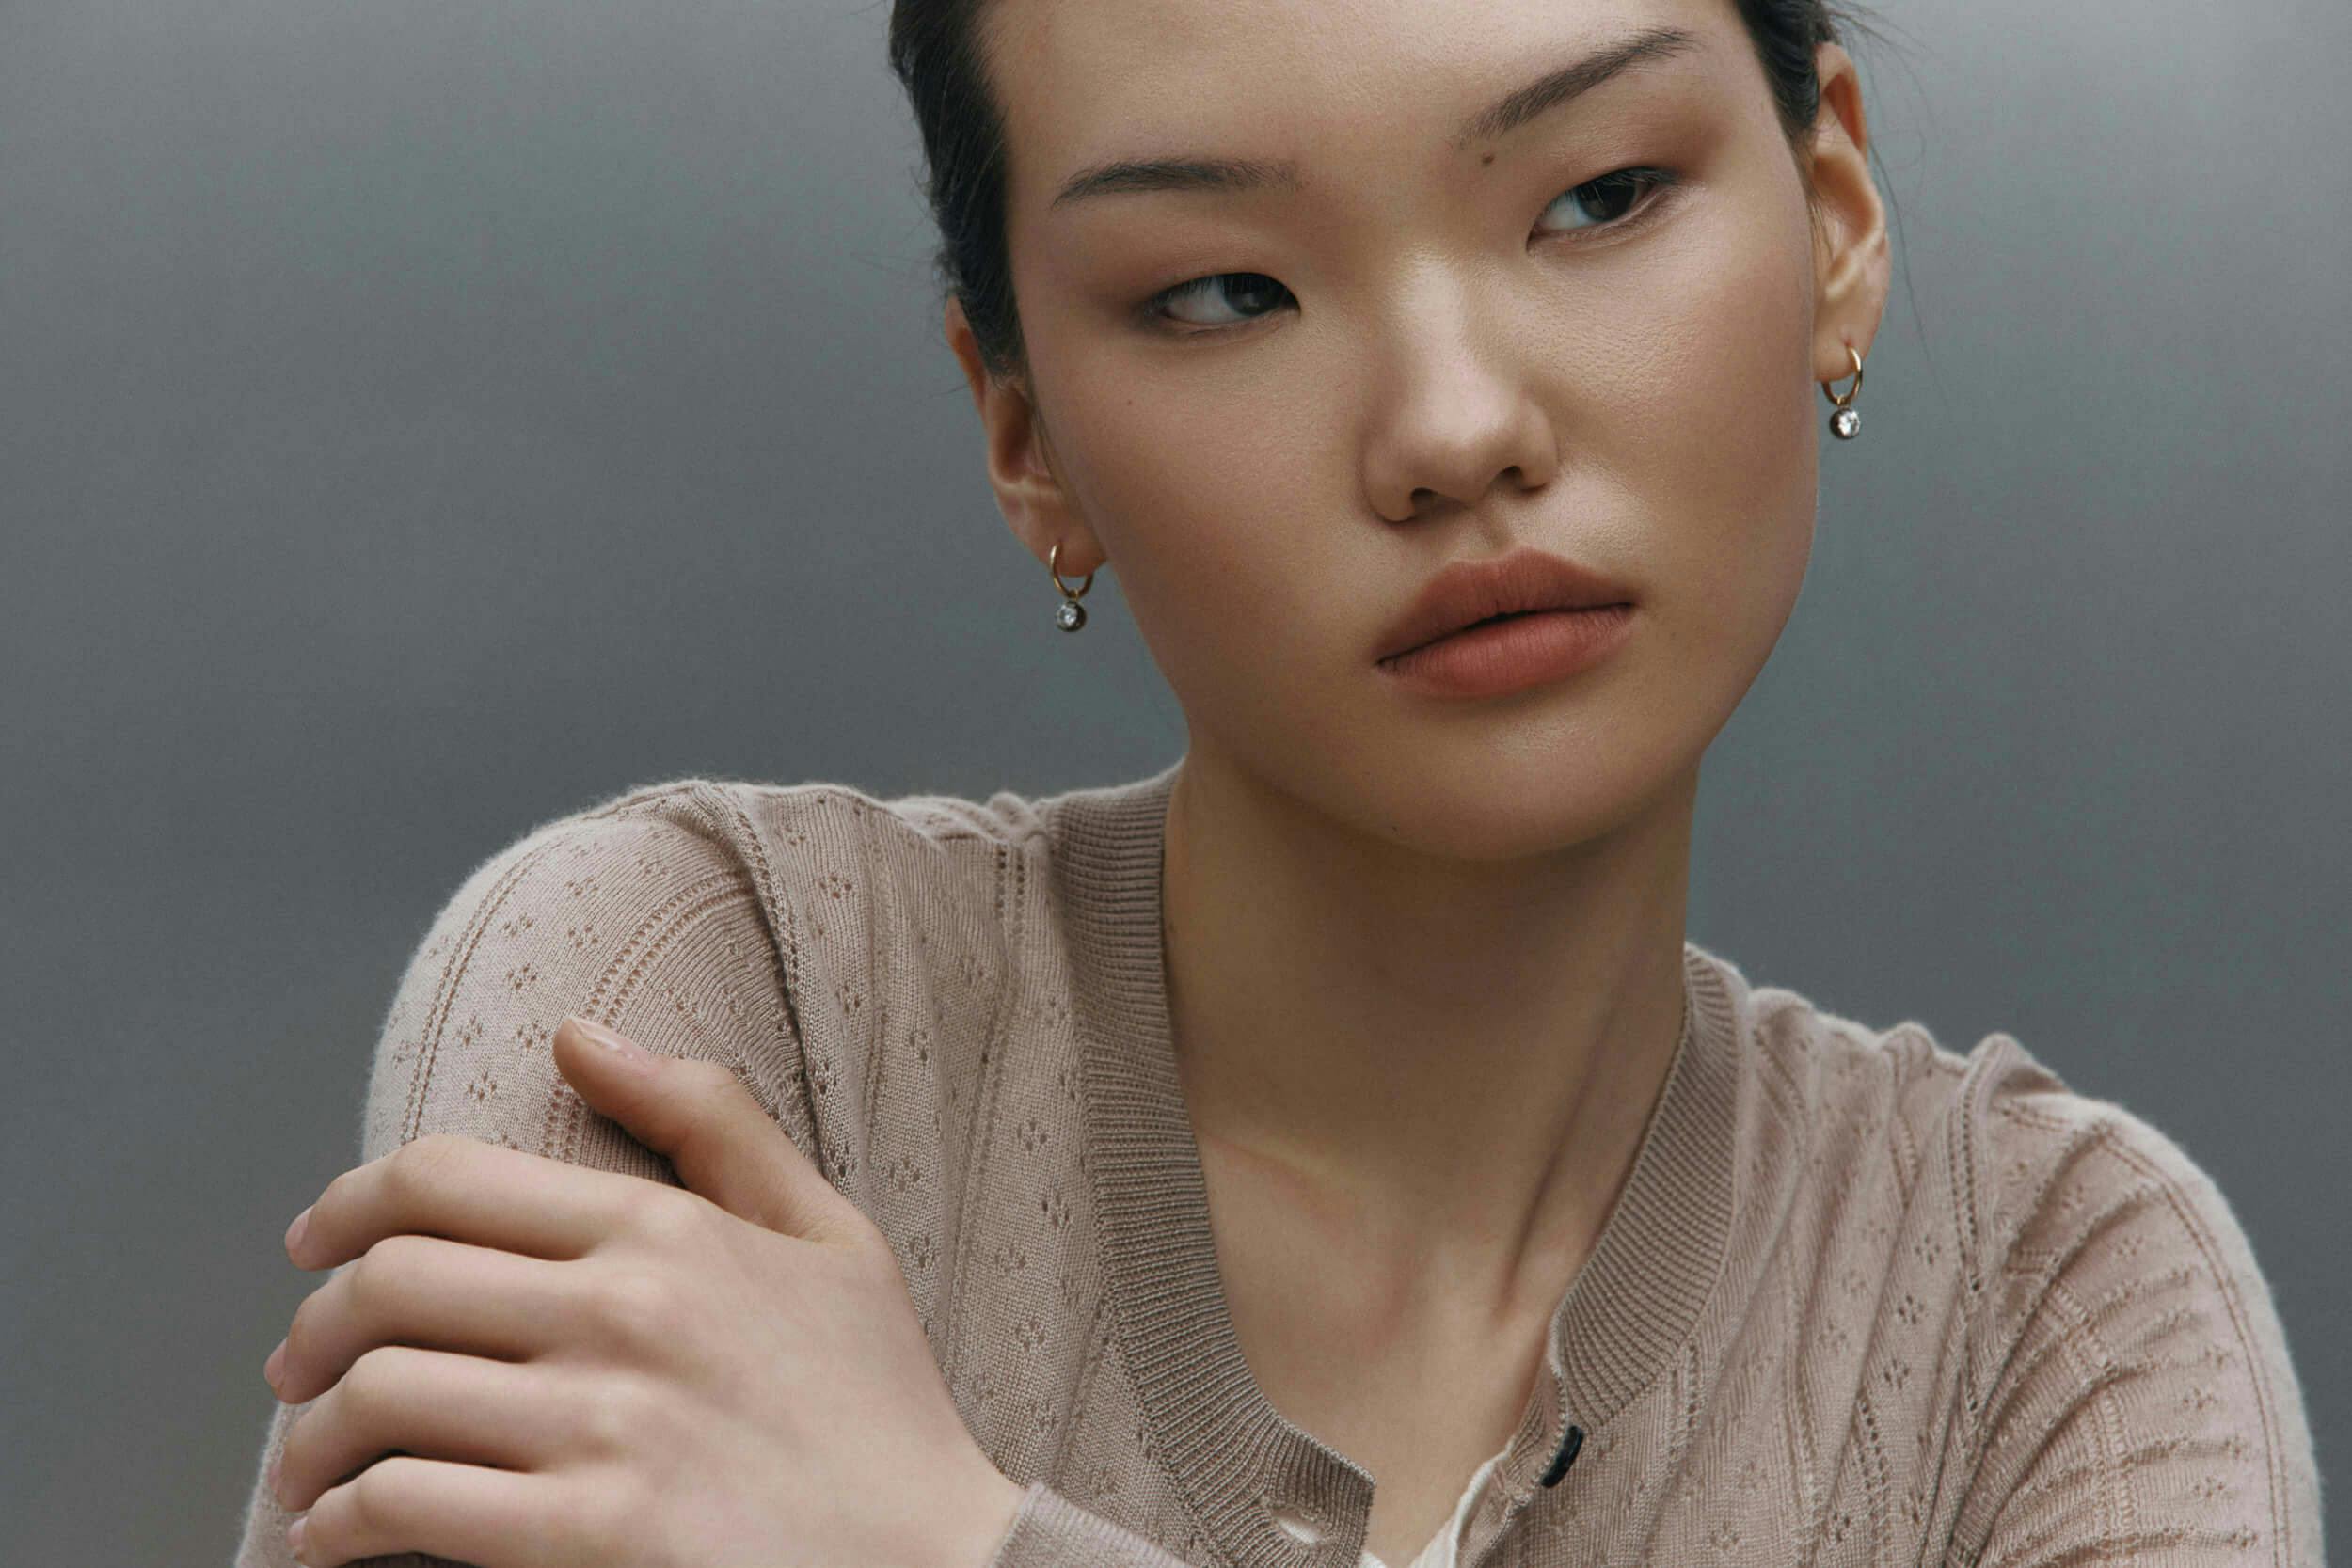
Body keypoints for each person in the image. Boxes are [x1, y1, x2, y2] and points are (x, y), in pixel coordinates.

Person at [234, 0, 2325, 1564]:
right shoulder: (705, 1006)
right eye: (1221, 289)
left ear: (1836, 215)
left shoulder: (2049, 1308)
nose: (1447, 425)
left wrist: (956, 1548)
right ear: (1025, 435)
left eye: (1595, 196)